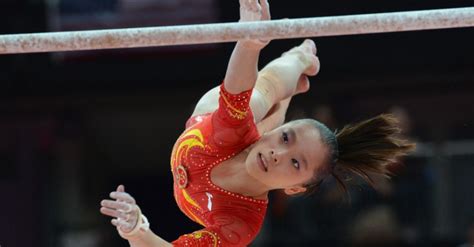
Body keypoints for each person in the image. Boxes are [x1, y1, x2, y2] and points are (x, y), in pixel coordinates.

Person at [99, 0, 416, 246]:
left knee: (262, 109)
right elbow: (236, 85)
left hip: (224, 155)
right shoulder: (234, 129)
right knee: (258, 96)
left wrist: (137, 232)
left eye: (295, 163)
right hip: (212, 122)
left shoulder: (241, 224)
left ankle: (289, 90)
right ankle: (300, 58)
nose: (279, 153)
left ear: (294, 188)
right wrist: (249, 42)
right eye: (286, 138)